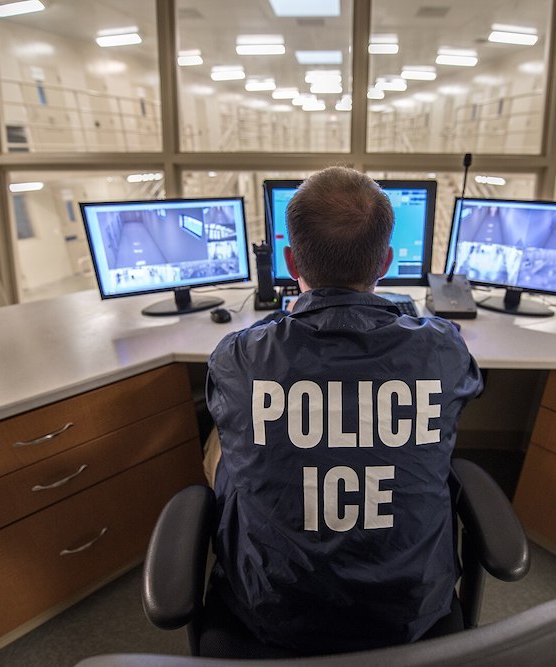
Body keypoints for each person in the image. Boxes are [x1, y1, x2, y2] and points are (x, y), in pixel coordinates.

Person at [205, 166, 483, 656]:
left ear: (290, 261)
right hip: (408, 612)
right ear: (386, 263)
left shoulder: (239, 356)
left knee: (222, 439)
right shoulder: (442, 348)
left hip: (274, 611)